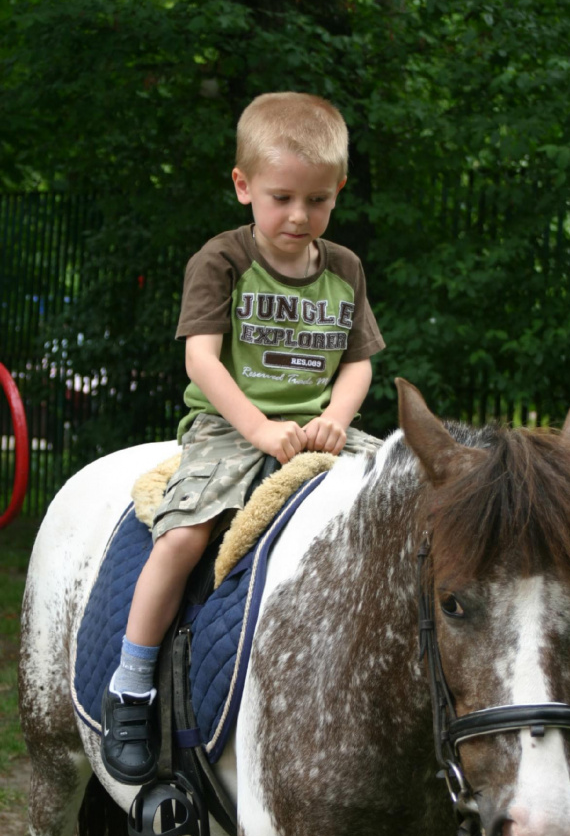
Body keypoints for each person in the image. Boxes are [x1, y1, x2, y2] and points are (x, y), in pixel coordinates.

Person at [101, 91, 385, 784]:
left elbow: (358, 362)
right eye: (282, 196)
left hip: (316, 432)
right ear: (243, 185)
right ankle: (131, 684)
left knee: (402, 505)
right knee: (185, 535)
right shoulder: (222, 260)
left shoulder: (343, 269)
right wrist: (258, 426)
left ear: (337, 191)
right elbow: (201, 357)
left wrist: (336, 420)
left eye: (317, 200)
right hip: (229, 428)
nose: (299, 215)